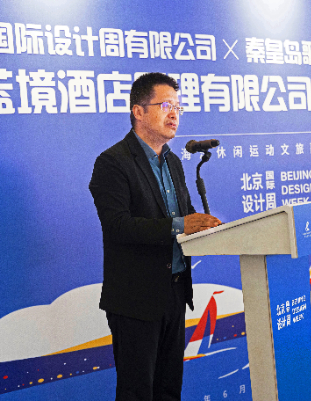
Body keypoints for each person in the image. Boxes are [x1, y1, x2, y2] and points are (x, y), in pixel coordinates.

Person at [89, 72, 221, 401]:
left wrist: (205, 226)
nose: (174, 114)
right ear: (138, 111)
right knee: (137, 393)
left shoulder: (173, 162)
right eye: (165, 106)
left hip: (175, 292)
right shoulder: (112, 163)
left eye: (177, 106)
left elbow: (185, 214)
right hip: (136, 299)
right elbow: (118, 226)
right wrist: (180, 226)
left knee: (168, 390)